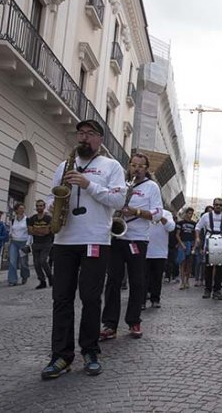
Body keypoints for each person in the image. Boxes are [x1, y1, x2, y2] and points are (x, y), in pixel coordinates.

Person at [40, 119, 126, 380]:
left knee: (90, 298)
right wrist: (50, 207)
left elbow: (118, 199)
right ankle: (61, 356)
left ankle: (90, 351)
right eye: (81, 133)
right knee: (61, 299)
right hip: (64, 240)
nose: (84, 138)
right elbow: (52, 196)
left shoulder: (111, 166)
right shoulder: (63, 165)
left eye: (90, 133)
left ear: (100, 139)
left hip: (94, 239)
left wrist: (88, 184)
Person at [101, 153, 162, 340]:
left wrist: (135, 211)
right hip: (117, 237)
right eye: (134, 165)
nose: (136, 169)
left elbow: (158, 214)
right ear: (129, 166)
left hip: (138, 239)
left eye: (141, 166)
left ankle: (134, 320)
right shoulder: (120, 183)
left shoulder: (151, 187)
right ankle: (110, 324)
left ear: (146, 169)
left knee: (137, 281)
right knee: (113, 281)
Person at [195, 198, 222, 301]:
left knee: (220, 268)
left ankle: (217, 290)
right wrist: (197, 238)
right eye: (216, 204)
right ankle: (207, 289)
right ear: (213, 205)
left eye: (220, 205)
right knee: (208, 267)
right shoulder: (206, 216)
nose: (218, 206)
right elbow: (198, 227)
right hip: (209, 243)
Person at [145, 209, 175, 309]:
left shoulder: (167, 213)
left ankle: (155, 299)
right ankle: (141, 301)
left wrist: (161, 218)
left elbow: (171, 227)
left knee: (157, 278)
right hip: (145, 250)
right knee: (143, 278)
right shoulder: (145, 210)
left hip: (160, 252)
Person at [28, 199, 54, 289]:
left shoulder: (48, 218)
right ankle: (42, 281)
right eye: (37, 206)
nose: (39, 207)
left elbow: (47, 232)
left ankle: (50, 276)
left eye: (41, 206)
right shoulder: (32, 218)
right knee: (36, 264)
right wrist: (41, 231)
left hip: (46, 243)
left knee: (43, 261)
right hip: (36, 243)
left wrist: (36, 230)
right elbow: (30, 231)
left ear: (44, 207)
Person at [8, 203, 30, 287]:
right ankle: (12, 280)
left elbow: (30, 233)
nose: (22, 210)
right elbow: (11, 230)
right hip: (14, 242)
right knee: (12, 261)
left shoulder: (27, 220)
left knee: (23, 263)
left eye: (23, 208)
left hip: (23, 242)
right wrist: (10, 235)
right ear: (16, 210)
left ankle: (25, 276)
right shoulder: (13, 220)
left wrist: (28, 244)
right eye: (20, 208)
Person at [175, 207, 197, 289]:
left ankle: (187, 281)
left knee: (189, 263)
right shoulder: (180, 223)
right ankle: (182, 282)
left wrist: (194, 246)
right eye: (189, 213)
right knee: (182, 263)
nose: (190, 215)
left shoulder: (194, 224)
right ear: (186, 213)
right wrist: (181, 244)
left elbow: (195, 236)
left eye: (191, 214)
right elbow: (177, 234)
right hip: (183, 243)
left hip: (190, 243)